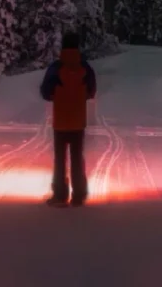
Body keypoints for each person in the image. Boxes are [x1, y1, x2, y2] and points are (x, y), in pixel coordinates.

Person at [39, 29, 97, 206]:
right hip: (78, 121)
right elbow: (92, 91)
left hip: (60, 121)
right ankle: (78, 195)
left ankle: (60, 195)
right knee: (77, 158)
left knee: (60, 159)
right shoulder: (85, 68)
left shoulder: (56, 68)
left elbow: (45, 92)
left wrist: (57, 95)